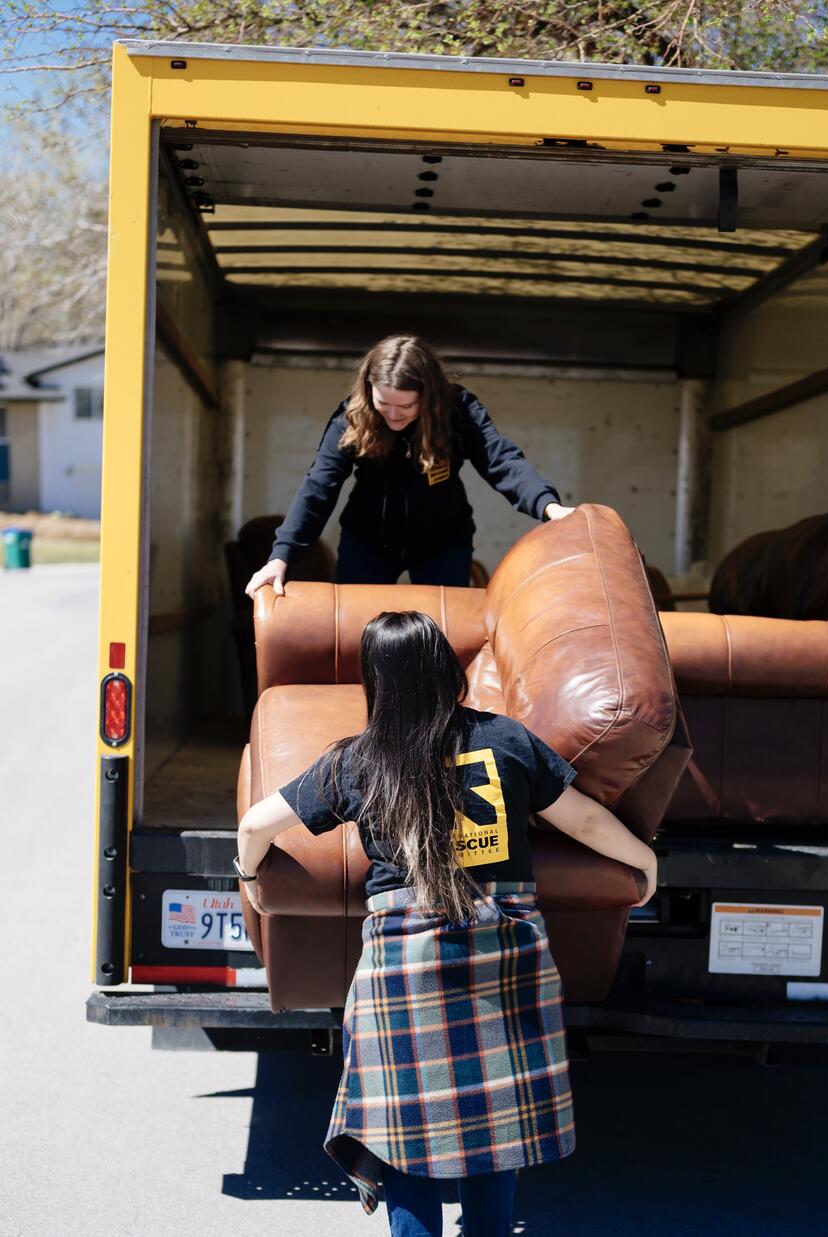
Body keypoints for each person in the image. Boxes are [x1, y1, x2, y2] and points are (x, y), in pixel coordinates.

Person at [236, 610, 658, 1236]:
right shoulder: (508, 740)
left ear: (374, 680)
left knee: (406, 1133)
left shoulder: (357, 762)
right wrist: (644, 863)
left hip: (404, 967)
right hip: (503, 948)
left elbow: (254, 827)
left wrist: (249, 879)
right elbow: (588, 822)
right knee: (497, 1117)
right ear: (443, 668)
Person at [244, 335, 575, 596]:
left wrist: (549, 507)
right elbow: (319, 487)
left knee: (442, 635)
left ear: (428, 396)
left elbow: (500, 459)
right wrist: (281, 556)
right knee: (359, 631)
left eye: (405, 405)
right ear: (368, 389)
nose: (392, 414)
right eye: (383, 402)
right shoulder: (352, 418)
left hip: (442, 543)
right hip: (367, 542)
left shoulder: (458, 411)